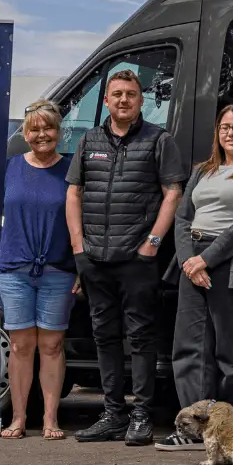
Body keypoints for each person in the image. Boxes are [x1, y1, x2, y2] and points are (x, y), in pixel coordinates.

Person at [66, 69, 185, 445]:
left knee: (140, 338)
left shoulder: (159, 140)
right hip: (94, 258)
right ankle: (113, 414)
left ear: (140, 100)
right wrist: (78, 248)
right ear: (106, 101)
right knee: (104, 337)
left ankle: (141, 414)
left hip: (137, 260)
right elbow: (74, 194)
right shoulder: (89, 140)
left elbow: (173, 193)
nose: (123, 100)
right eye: (117, 94)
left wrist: (152, 243)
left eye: (130, 94)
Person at [155, 104, 233, 452]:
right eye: (224, 127)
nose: (231, 133)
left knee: (230, 354)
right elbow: (182, 218)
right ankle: (193, 430)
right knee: (189, 350)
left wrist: (206, 260)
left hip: (228, 264)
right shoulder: (201, 171)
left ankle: (232, 431)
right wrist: (189, 262)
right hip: (192, 262)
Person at [0, 100, 76, 440]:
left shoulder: (73, 168)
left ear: (59, 132)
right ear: (25, 133)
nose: (41, 135)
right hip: (14, 267)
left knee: (52, 345)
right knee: (20, 345)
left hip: (59, 267)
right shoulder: (10, 166)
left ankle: (50, 419)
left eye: (48, 128)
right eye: (34, 129)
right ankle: (18, 418)